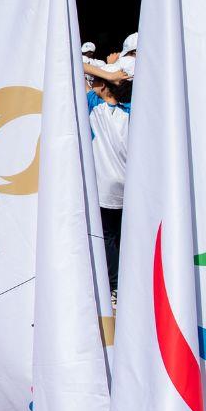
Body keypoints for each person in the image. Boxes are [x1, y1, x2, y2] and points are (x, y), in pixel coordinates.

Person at [88, 78, 131, 298]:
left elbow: (75, 64)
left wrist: (108, 70)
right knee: (125, 237)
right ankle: (129, 285)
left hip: (105, 188)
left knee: (107, 238)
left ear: (104, 86)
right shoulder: (133, 110)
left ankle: (114, 287)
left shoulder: (94, 106)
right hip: (130, 187)